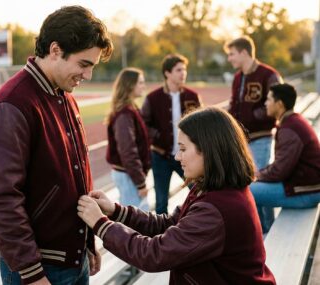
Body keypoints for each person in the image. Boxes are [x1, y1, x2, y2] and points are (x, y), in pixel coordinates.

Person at [0, 6, 113, 285]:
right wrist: (31, 272)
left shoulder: (64, 95)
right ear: (55, 50)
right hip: (40, 270)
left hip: (72, 260)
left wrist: (86, 244)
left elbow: (73, 177)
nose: (87, 75)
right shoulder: (11, 105)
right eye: (84, 64)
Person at [77, 107, 276, 285]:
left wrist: (101, 224)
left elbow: (153, 254)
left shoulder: (216, 209)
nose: (177, 156)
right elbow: (170, 224)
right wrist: (116, 211)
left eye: (182, 149)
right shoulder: (212, 188)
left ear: (208, 150)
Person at [250, 83, 320, 233]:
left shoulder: (290, 128)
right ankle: (264, 230)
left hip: (305, 192)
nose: (265, 103)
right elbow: (279, 168)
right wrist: (258, 175)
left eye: (268, 99)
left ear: (279, 104)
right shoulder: (293, 122)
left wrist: (256, 176)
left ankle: (261, 234)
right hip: (305, 187)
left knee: (246, 191)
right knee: (255, 186)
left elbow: (279, 172)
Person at [141, 53, 202, 214]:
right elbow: (143, 124)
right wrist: (158, 136)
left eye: (184, 69)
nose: (183, 73)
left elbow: (203, 123)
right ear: (167, 73)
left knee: (198, 192)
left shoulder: (192, 96)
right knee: (161, 201)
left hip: (187, 155)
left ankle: (195, 225)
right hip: (161, 157)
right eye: (178, 70)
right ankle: (162, 237)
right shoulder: (153, 98)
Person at [224, 35, 283, 169]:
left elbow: (280, 103)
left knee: (256, 182)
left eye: (232, 54)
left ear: (244, 53)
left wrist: (253, 116)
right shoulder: (237, 77)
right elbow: (234, 103)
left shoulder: (269, 75)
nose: (229, 59)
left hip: (260, 139)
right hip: (239, 140)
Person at [105, 68, 151, 211]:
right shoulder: (125, 114)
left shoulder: (131, 108)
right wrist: (140, 183)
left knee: (135, 217)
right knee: (137, 221)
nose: (144, 86)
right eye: (141, 83)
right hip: (128, 175)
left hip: (129, 174)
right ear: (130, 85)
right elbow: (128, 151)